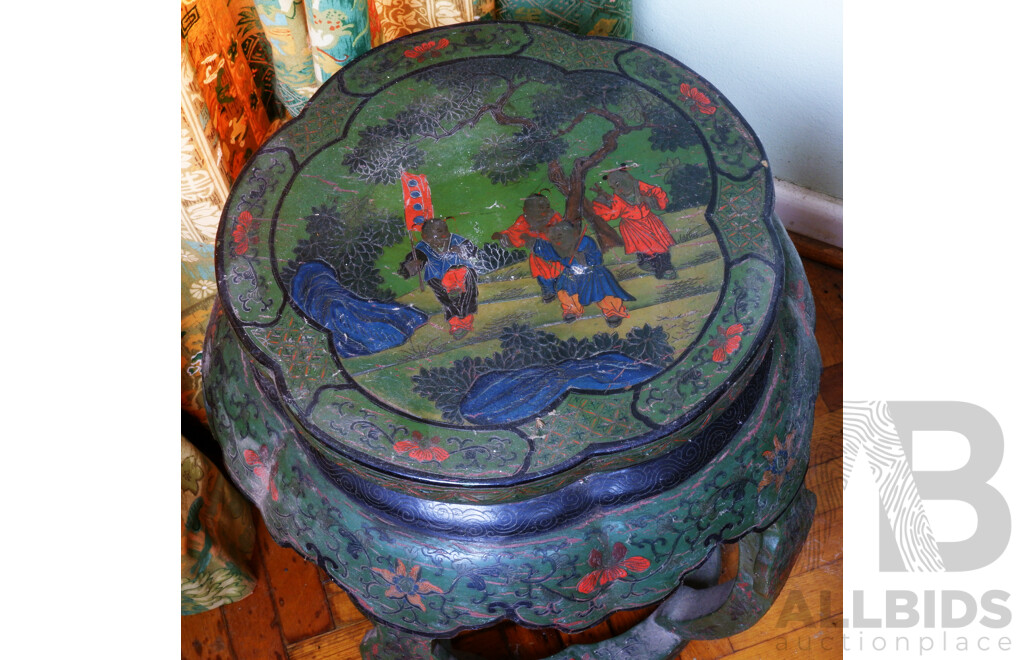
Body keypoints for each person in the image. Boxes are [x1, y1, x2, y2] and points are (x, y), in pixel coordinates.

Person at [532, 221, 634, 327]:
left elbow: (595, 257)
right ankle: (571, 309)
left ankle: (613, 311)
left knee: (605, 292)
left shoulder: (584, 241)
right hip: (571, 275)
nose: (557, 239)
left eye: (560, 236)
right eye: (554, 238)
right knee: (564, 292)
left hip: (592, 272)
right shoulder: (559, 247)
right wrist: (538, 245)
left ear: (572, 234)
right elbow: (547, 252)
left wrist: (581, 255)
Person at [590, 168, 677, 279]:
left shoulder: (640, 187)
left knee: (661, 246)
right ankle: (655, 266)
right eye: (614, 187)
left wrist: (651, 200)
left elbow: (656, 192)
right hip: (633, 227)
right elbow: (612, 214)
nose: (618, 189)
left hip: (650, 221)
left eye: (618, 184)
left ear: (627, 179)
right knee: (644, 248)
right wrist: (601, 200)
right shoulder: (618, 198)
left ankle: (665, 267)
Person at [399, 218, 479, 339]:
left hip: (462, 276)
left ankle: (465, 321)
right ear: (425, 237)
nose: (439, 241)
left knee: (466, 287)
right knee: (448, 302)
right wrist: (411, 267)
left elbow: (472, 251)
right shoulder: (422, 247)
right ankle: (456, 324)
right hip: (438, 279)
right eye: (434, 238)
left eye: (443, 237)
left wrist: (461, 251)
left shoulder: (456, 240)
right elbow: (414, 262)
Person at [491, 194, 564, 302]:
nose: (544, 210)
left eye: (546, 206)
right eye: (539, 207)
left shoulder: (554, 217)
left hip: (555, 250)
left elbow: (563, 231)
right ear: (527, 210)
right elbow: (514, 233)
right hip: (538, 255)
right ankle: (548, 290)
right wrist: (503, 236)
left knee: (560, 270)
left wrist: (548, 232)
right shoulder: (524, 220)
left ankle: (562, 288)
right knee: (541, 273)